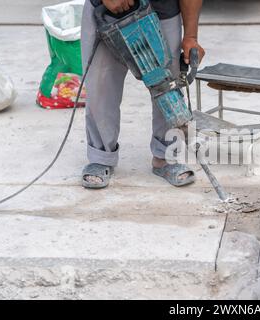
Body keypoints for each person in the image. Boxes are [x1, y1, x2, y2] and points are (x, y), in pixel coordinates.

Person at [80, 0, 205, 189]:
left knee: (168, 87)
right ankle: (101, 157)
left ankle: (166, 156)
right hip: (104, 11)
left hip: (163, 12)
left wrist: (191, 36)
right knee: (101, 87)